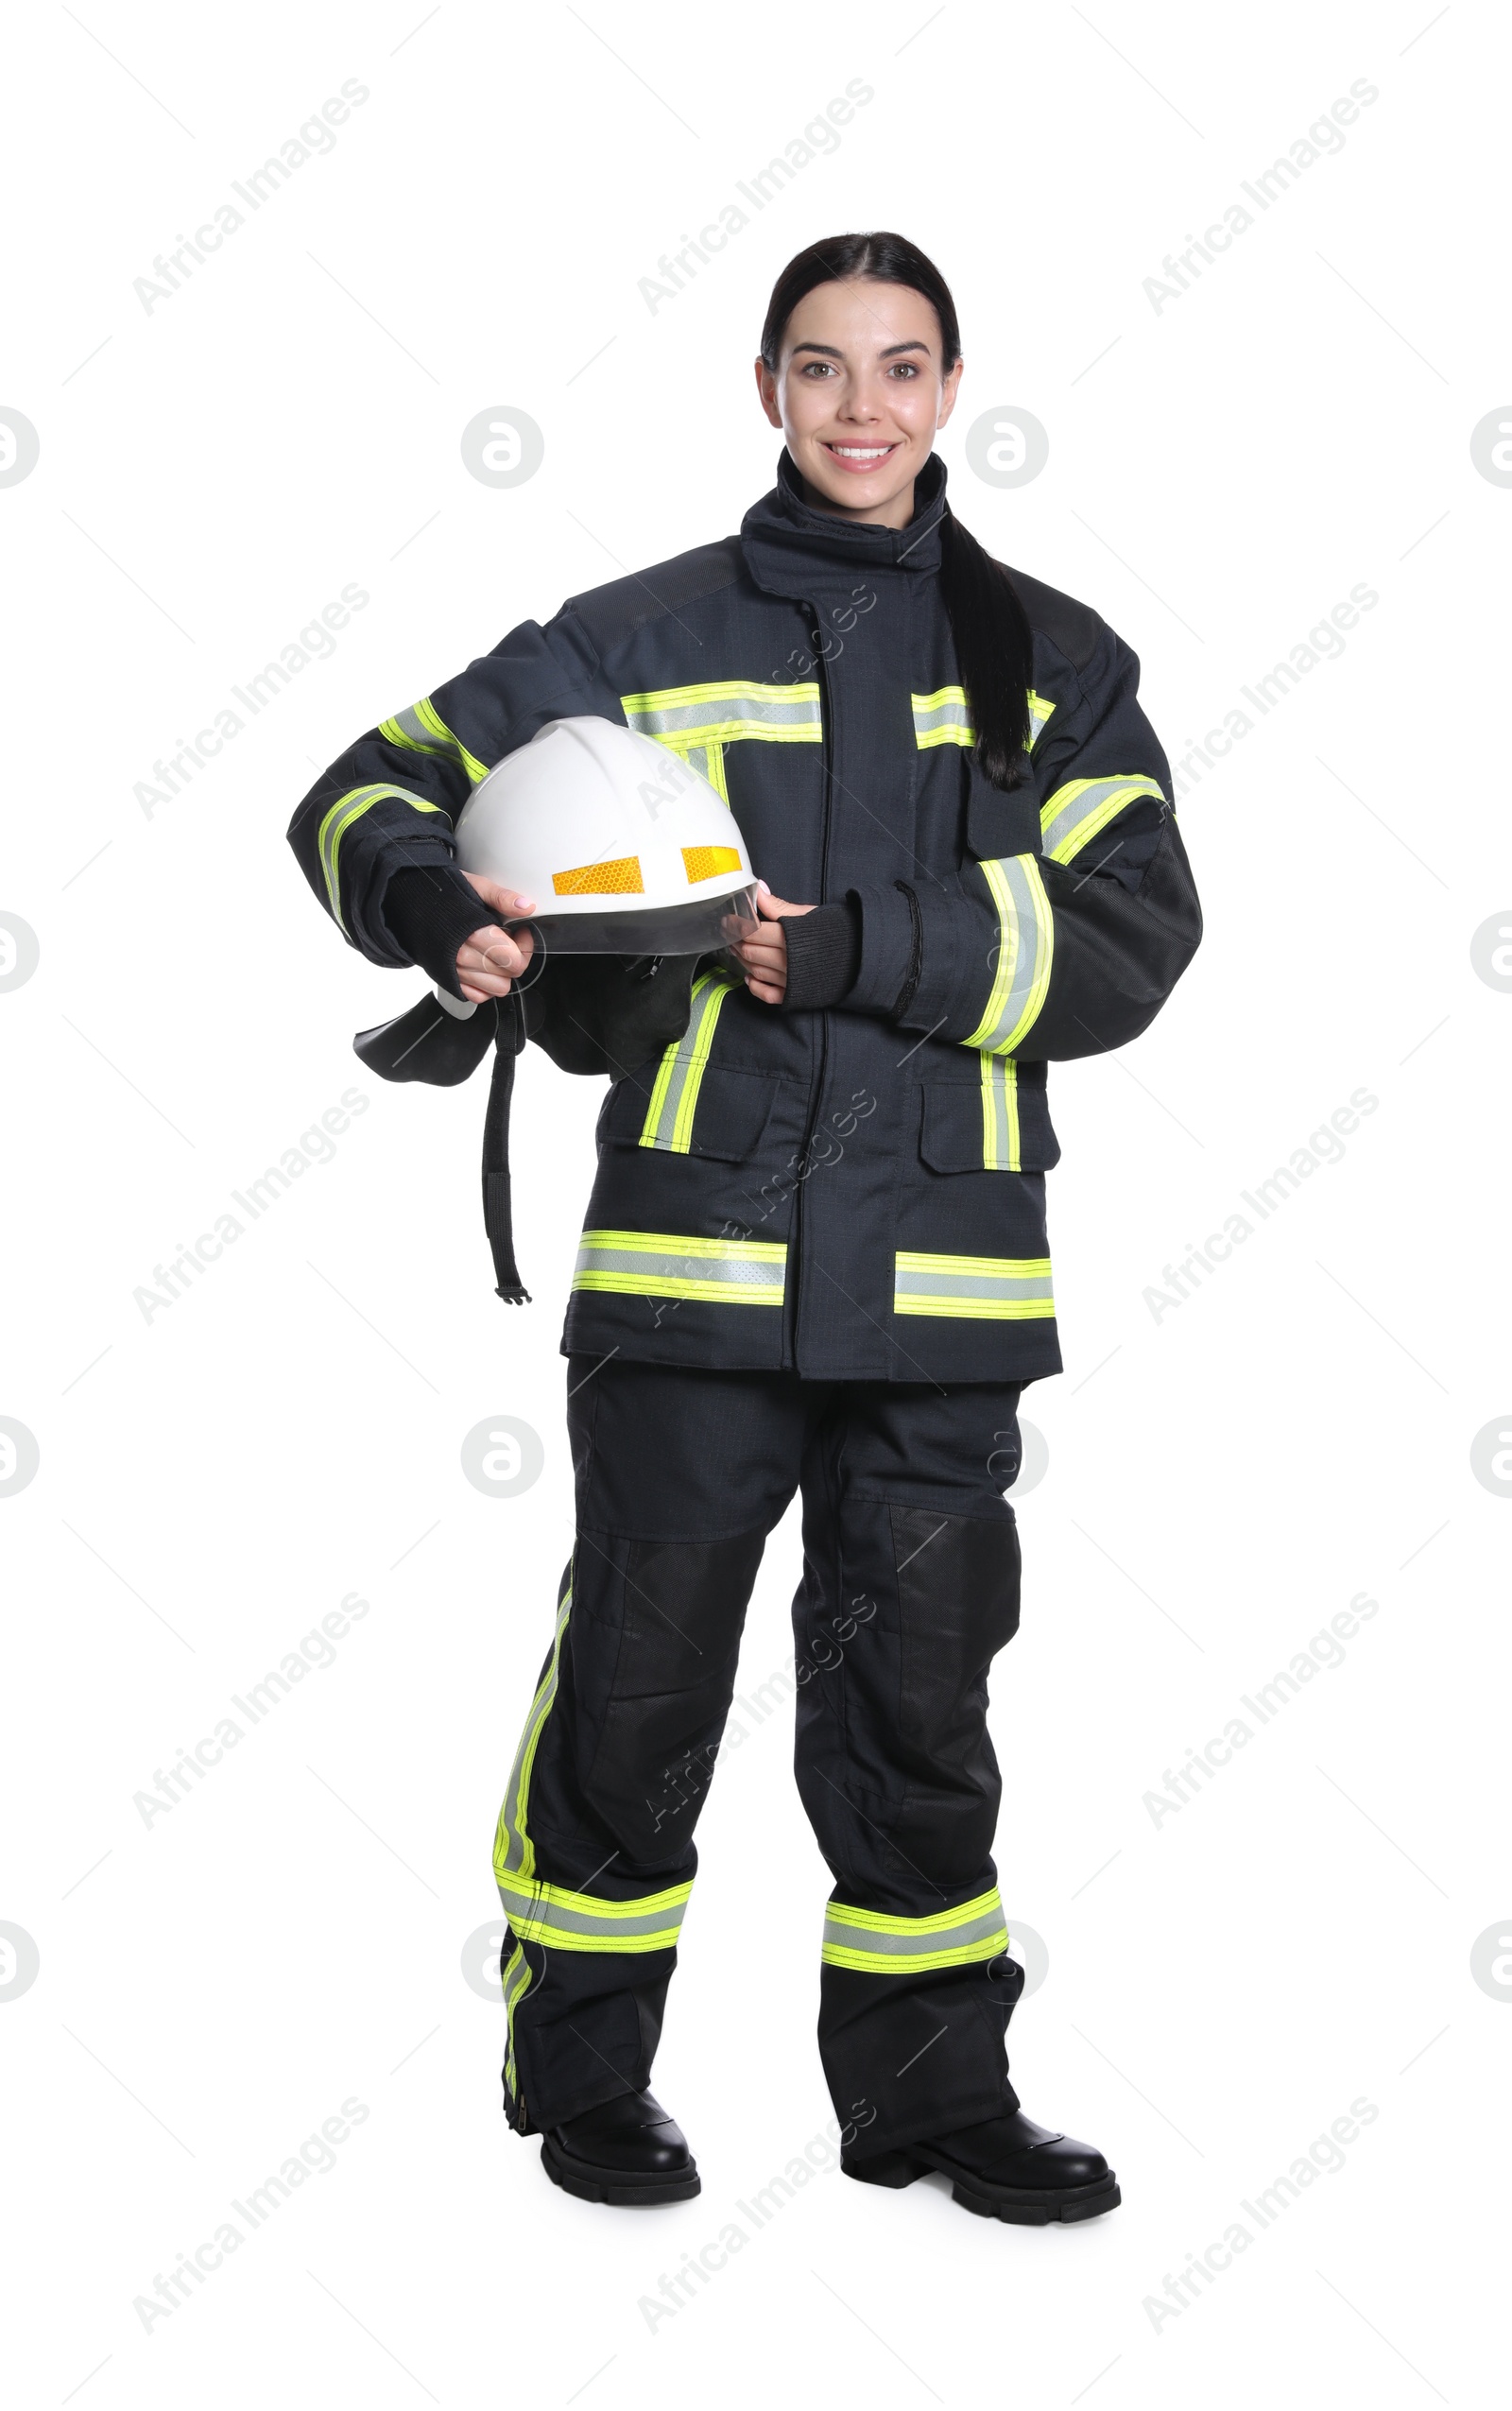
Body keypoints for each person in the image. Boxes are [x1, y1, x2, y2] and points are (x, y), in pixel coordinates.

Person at [287, 231, 1201, 2225]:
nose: (859, 410)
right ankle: (582, 2065)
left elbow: (1132, 932)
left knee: (917, 1698)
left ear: (951, 391)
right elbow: (365, 792)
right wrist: (439, 911)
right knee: (638, 1676)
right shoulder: (633, 635)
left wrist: (867, 942)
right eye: (818, 368)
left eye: (898, 368)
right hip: (687, 1275)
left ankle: (930, 2097)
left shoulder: (1048, 659)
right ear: (765, 389)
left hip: (942, 1289)